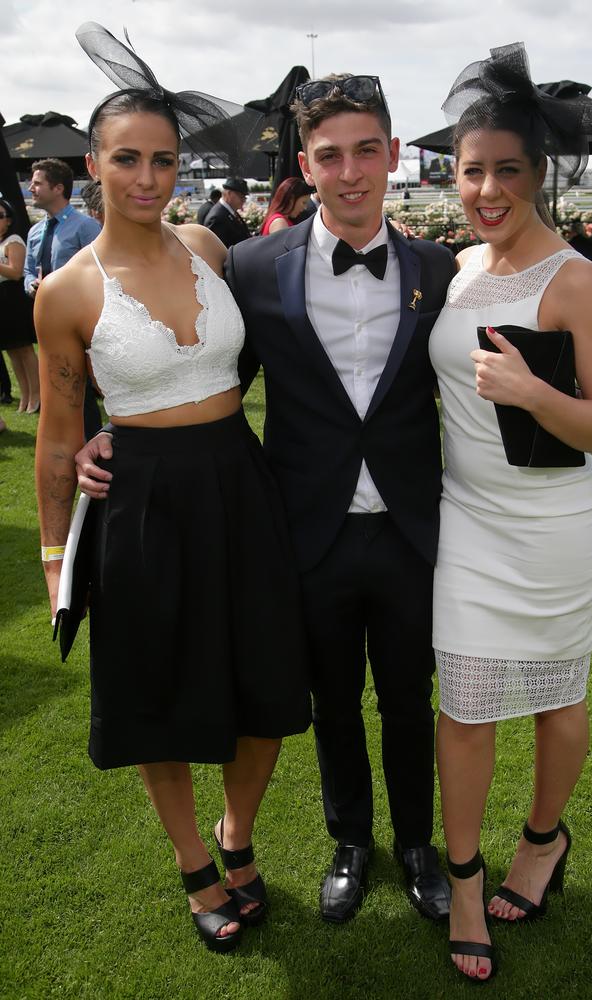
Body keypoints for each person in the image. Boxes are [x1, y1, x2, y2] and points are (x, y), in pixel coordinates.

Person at [78, 72, 457, 926]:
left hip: (412, 530)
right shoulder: (250, 266)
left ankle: (416, 846)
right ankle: (350, 844)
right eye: (330, 154)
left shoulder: (439, 266)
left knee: (408, 696)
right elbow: (205, 375)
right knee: (326, 703)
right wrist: (116, 434)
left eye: (367, 150)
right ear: (306, 164)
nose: (351, 170)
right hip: (298, 531)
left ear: (394, 156)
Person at [36, 21, 311, 953]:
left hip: (241, 479)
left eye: (162, 160)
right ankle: (196, 859)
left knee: (266, 673)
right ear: (93, 162)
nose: (148, 178)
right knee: (155, 682)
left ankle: (239, 831)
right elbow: (58, 433)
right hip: (141, 502)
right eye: (127, 160)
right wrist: (50, 552)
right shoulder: (67, 291)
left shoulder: (208, 244)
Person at [429, 44, 592, 982]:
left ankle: (543, 842)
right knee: (465, 704)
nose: (487, 188)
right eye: (472, 171)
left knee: (558, 697)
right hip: (465, 521)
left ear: (540, 173)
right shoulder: (456, 267)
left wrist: (529, 391)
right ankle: (464, 877)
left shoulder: (576, 279)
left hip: (553, 526)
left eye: (508, 170)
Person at [25, 158, 103, 437]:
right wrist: (31, 285)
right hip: (48, 323)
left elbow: (100, 271)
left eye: (37, 183)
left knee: (80, 392)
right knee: (61, 389)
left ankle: (95, 445)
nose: (30, 188)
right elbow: (27, 270)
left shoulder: (85, 227)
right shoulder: (35, 231)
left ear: (58, 188)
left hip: (82, 323)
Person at [0, 197, 40, 413]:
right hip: (2, 300)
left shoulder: (13, 240)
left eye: (0, 216)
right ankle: (25, 396)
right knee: (12, 352)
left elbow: (16, 272)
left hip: (13, 299)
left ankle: (37, 395)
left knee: (24, 349)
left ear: (8, 220)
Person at [204, 178, 251, 246]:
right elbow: (217, 249)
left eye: (245, 197)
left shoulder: (230, 211)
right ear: (229, 194)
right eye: (241, 197)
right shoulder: (217, 217)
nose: (243, 200)